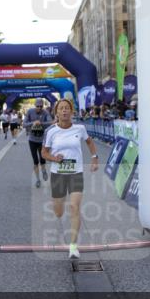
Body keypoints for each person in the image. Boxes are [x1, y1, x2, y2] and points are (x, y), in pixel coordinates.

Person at [41, 99, 99, 260]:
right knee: (58, 212)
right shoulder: (51, 131)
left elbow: (89, 142)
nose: (65, 111)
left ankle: (73, 246)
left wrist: (94, 158)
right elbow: (44, 153)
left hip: (76, 172)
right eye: (61, 109)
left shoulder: (80, 128)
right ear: (57, 112)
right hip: (58, 174)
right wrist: (54, 158)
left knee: (74, 207)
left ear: (72, 111)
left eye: (67, 108)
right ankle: (59, 207)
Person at [24, 98, 54, 188]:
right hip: (32, 140)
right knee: (35, 161)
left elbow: (50, 123)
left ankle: (44, 171)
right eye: (38, 106)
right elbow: (24, 124)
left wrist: (40, 123)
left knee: (42, 160)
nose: (39, 108)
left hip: (42, 140)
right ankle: (37, 179)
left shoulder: (45, 113)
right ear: (35, 105)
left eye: (41, 106)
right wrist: (33, 123)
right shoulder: (30, 111)